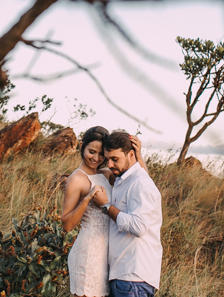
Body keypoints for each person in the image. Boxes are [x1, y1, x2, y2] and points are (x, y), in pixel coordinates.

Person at [61, 127, 146, 297]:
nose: (96, 158)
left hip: (107, 255)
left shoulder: (105, 174)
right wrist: (87, 199)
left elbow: (141, 181)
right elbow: (67, 225)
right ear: (82, 147)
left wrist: (138, 155)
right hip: (88, 252)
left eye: (101, 154)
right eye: (91, 152)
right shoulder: (76, 179)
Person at [91, 131, 162, 297]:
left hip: (132, 276)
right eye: (107, 159)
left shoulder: (140, 183)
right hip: (124, 274)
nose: (110, 164)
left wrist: (106, 206)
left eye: (115, 159)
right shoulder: (125, 180)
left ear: (131, 154)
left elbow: (139, 227)